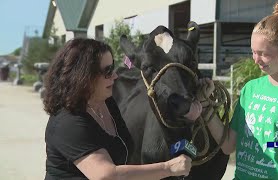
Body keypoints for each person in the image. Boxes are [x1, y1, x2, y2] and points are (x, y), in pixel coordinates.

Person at [43, 38, 201, 180]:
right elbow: (106, 175)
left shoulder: (107, 102)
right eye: (107, 71)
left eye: (112, 68)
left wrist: (193, 102)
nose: (115, 76)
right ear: (82, 76)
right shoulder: (68, 122)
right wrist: (168, 168)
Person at [202, 0, 278, 179]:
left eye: (264, 54)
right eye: (253, 52)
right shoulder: (251, 89)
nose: (256, 59)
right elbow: (228, 145)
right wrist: (205, 107)